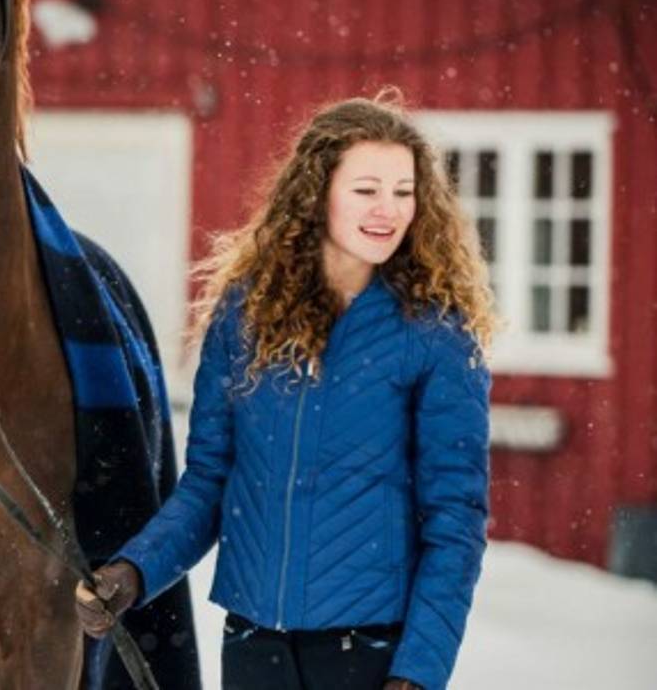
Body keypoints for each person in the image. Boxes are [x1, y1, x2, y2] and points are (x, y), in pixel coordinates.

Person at [75, 90, 496, 690]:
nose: (389, 210)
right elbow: (210, 485)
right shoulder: (247, 316)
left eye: (404, 192)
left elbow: (454, 523)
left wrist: (418, 675)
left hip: (366, 658)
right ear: (318, 192)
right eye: (366, 189)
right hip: (253, 649)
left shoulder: (435, 335)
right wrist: (133, 572)